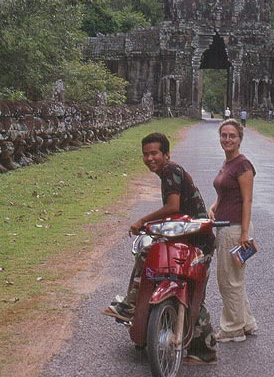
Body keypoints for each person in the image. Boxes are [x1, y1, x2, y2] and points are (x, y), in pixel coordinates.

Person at [103, 132, 217, 364]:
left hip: (197, 239)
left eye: (154, 153)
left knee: (191, 291)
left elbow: (172, 206)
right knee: (151, 257)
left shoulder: (169, 171)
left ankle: (133, 304)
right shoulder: (170, 171)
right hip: (187, 234)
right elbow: (175, 210)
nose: (149, 158)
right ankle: (135, 307)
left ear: (166, 154)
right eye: (145, 154)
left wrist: (142, 221)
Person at [209, 119, 258, 342]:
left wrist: (244, 233)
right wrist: (214, 206)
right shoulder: (228, 162)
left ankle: (232, 329)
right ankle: (246, 322)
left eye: (232, 136)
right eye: (224, 135)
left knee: (229, 280)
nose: (227, 139)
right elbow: (225, 193)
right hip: (224, 226)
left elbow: (247, 201)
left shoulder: (243, 165)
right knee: (234, 278)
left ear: (240, 139)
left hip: (236, 228)